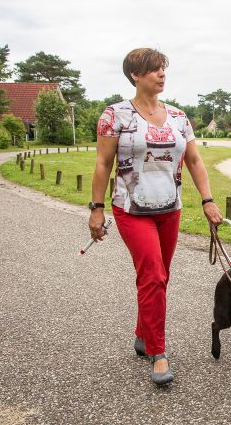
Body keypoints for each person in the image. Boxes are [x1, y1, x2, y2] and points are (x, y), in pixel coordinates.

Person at [88, 48, 222, 385]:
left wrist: (207, 199)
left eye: (164, 69)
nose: (162, 74)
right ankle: (158, 354)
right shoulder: (114, 115)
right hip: (131, 209)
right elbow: (104, 164)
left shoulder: (179, 116)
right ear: (135, 75)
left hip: (170, 209)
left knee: (159, 276)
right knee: (153, 277)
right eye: (154, 69)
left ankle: (142, 334)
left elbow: (193, 160)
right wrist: (96, 208)